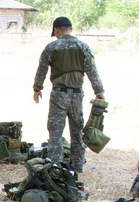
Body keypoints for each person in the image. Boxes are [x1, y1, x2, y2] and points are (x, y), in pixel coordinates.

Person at [32, 16, 105, 175]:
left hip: (59, 94)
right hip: (77, 95)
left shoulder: (51, 47)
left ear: (56, 30)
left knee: (55, 134)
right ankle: (78, 167)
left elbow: (42, 70)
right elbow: (92, 71)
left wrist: (37, 88)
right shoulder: (83, 46)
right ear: (70, 29)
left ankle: (55, 168)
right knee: (77, 132)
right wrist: (99, 92)